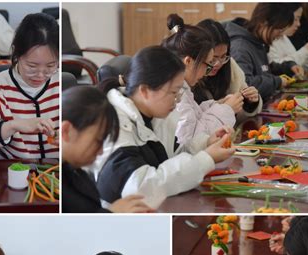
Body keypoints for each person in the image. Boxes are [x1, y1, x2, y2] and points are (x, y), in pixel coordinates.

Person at [88, 45, 235, 207]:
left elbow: (170, 159)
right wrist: (206, 158)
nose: (178, 99)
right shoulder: (116, 125)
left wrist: (205, 144)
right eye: (174, 92)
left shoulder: (155, 115)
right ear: (145, 91)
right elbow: (141, 189)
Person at [0, 13, 58, 159]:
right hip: (15, 175)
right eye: (32, 66)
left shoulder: (62, 84)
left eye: (50, 66)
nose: (40, 75)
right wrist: (12, 126)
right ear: (16, 53)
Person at [62, 86, 153, 213]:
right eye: (98, 141)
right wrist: (112, 214)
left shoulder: (78, 172)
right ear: (67, 131)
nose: (100, 152)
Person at [162, 14, 237, 138]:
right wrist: (226, 109)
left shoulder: (182, 88)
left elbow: (195, 117)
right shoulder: (176, 94)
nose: (208, 71)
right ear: (188, 61)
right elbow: (190, 140)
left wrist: (218, 105)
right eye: (208, 64)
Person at [225, 3, 303, 101]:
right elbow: (245, 86)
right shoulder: (240, 47)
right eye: (279, 30)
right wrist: (277, 82)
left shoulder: (258, 41)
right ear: (264, 22)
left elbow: (263, 70)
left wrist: (288, 67)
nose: (280, 35)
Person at [193, 18, 262, 122]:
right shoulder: (187, 79)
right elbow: (192, 127)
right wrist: (225, 108)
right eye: (212, 59)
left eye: (223, 56)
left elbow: (239, 118)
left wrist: (250, 103)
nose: (218, 64)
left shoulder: (230, 66)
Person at [269, 5, 308, 71]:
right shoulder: (270, 39)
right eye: (295, 19)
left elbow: (303, 70)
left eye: (299, 19)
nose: (298, 24)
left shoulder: (284, 38)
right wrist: (306, 51)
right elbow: (276, 68)